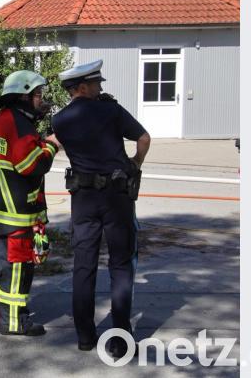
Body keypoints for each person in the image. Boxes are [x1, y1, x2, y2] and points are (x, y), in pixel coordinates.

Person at [50, 59, 151, 358]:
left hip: (83, 199)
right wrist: (135, 163)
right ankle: (120, 340)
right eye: (96, 84)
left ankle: (84, 336)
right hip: (117, 198)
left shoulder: (60, 120)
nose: (100, 88)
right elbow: (144, 139)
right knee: (120, 265)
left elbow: (55, 144)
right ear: (82, 86)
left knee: (84, 265)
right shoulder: (112, 110)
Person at [0, 70, 59, 336]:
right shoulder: (20, 125)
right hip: (16, 212)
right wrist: (52, 145)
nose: (41, 100)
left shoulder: (4, 117)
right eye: (37, 95)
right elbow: (31, 165)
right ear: (23, 96)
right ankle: (14, 321)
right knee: (18, 266)